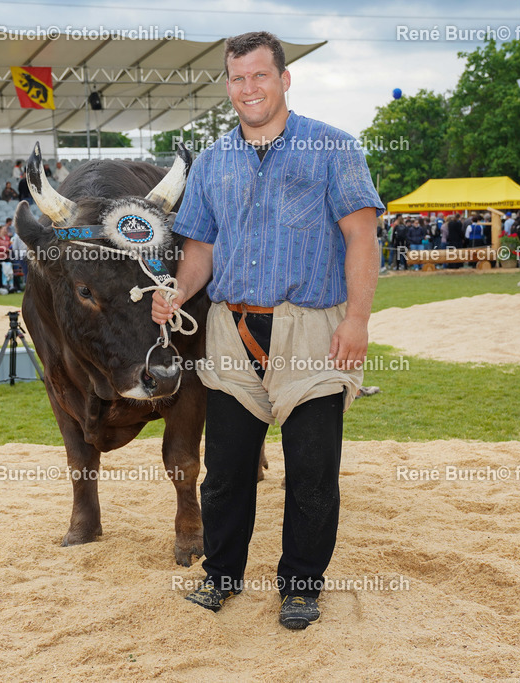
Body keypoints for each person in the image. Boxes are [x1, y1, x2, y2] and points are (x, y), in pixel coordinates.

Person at [152, 31, 383, 630]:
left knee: (312, 472)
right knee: (226, 471)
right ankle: (222, 577)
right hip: (231, 330)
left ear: (284, 79)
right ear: (227, 85)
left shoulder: (333, 147)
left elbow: (362, 237)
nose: (247, 88)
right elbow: (201, 246)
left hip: (314, 330)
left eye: (259, 75)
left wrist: (357, 320)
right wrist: (178, 289)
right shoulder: (212, 161)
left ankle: (301, 585)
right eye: (237, 78)